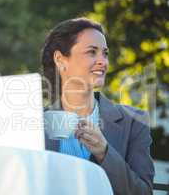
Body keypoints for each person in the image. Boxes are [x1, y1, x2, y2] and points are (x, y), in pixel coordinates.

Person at [41, 17, 155, 195]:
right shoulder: (35, 125)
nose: (103, 61)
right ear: (60, 59)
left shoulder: (134, 122)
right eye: (92, 52)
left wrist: (105, 152)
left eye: (105, 53)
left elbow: (143, 193)